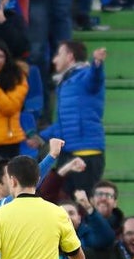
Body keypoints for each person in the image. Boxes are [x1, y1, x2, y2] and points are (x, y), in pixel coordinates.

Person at [36, 41, 105, 194]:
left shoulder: (85, 75)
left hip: (86, 153)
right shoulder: (65, 83)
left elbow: (95, 79)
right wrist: (40, 137)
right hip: (67, 153)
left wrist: (97, 63)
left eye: (58, 55)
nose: (54, 60)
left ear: (70, 56)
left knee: (82, 203)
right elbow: (63, 124)